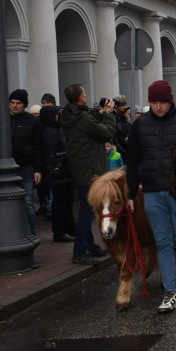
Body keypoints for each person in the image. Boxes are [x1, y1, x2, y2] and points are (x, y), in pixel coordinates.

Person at [125, 80, 176, 313]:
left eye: (162, 102)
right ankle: (171, 293)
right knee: (162, 242)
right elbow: (132, 162)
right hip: (152, 190)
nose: (158, 106)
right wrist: (131, 193)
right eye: (153, 102)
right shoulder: (139, 126)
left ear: (170, 100)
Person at [60, 84, 116, 265]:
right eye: (84, 94)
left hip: (81, 168)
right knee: (87, 211)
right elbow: (106, 132)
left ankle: (91, 246)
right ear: (82, 98)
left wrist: (99, 112)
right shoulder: (82, 118)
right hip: (91, 170)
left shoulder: (68, 114)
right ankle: (80, 252)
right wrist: (108, 113)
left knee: (88, 209)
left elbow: (87, 118)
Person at [0, 89, 43, 236]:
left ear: (24, 105)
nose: (14, 106)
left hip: (25, 166)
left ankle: (31, 233)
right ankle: (6, 233)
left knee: (27, 202)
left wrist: (37, 169)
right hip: (1, 167)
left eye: (18, 103)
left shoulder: (33, 121)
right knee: (1, 202)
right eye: (12, 102)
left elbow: (38, 146)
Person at [40, 100, 75, 243]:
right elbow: (51, 155)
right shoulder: (49, 132)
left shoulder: (57, 130)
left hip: (64, 172)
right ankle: (60, 231)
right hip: (58, 173)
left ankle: (69, 229)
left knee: (66, 202)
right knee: (60, 203)